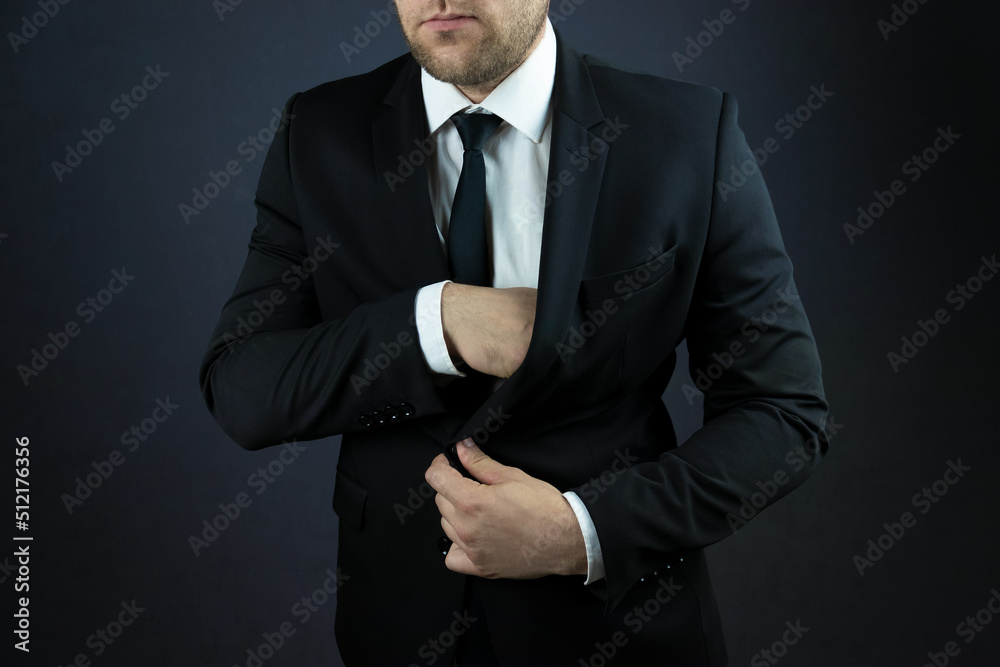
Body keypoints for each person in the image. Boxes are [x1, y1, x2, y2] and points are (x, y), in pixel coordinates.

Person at [199, 1, 829, 665]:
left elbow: (783, 412)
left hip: (623, 633)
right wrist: (436, 324)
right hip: (396, 629)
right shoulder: (318, 131)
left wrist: (583, 531)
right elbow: (242, 386)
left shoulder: (688, 133)